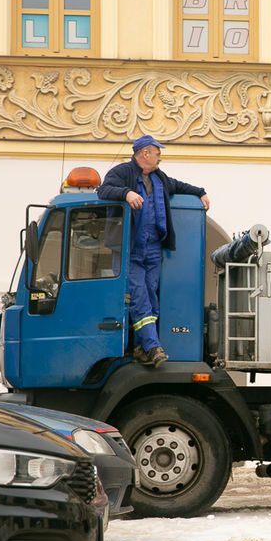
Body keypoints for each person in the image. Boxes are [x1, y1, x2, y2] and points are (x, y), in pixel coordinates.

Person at [98, 135, 209, 367]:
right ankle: (152, 347)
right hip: (131, 249)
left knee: (152, 299)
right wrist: (126, 194)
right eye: (157, 152)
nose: (160, 156)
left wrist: (201, 192)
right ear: (145, 154)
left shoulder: (160, 178)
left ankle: (141, 347)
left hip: (153, 248)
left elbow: (180, 186)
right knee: (140, 299)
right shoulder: (122, 173)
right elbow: (104, 190)